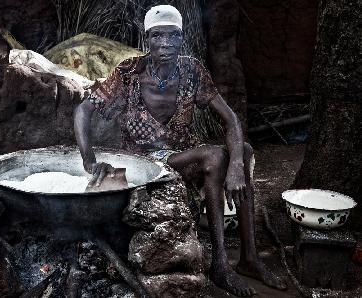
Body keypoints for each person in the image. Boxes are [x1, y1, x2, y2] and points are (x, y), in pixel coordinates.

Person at [74, 5, 286, 297]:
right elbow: (83, 112)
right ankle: (221, 266)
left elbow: (231, 120)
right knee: (214, 156)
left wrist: (237, 163)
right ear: (147, 38)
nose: (166, 44)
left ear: (182, 37)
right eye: (158, 36)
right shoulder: (128, 73)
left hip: (183, 155)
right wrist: (89, 160)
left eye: (173, 36)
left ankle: (249, 258)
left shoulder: (191, 69)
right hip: (144, 164)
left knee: (244, 151)